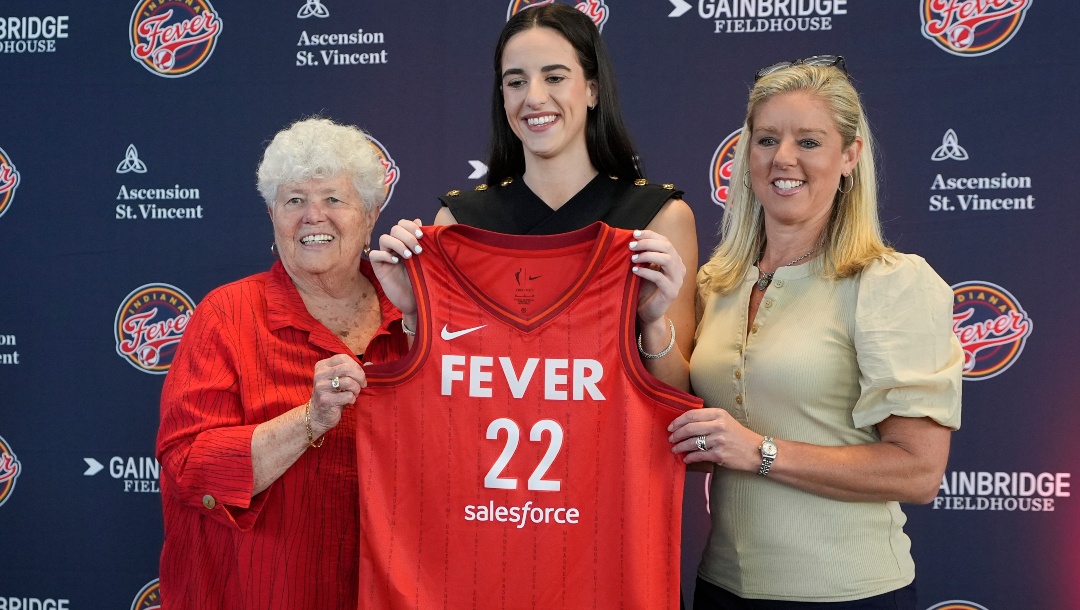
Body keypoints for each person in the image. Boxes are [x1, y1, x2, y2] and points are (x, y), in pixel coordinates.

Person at [665, 57, 963, 608]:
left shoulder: (890, 283)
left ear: (850, 155)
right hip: (723, 588)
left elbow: (919, 470)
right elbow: (702, 445)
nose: (783, 158)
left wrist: (760, 451)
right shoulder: (717, 283)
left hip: (850, 594)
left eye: (809, 141)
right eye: (766, 139)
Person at [156, 117, 409, 609]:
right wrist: (308, 420)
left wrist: (420, 322)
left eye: (334, 199)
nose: (313, 216)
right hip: (255, 592)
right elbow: (187, 468)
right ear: (273, 214)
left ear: (371, 214)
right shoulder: (227, 316)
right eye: (294, 200)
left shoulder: (417, 317)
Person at [374, 3, 695, 378]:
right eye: (516, 81)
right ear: (503, 96)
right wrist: (414, 313)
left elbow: (675, 396)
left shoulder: (658, 219)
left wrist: (652, 323)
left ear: (592, 90)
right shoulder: (459, 222)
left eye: (555, 77)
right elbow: (442, 385)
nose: (534, 97)